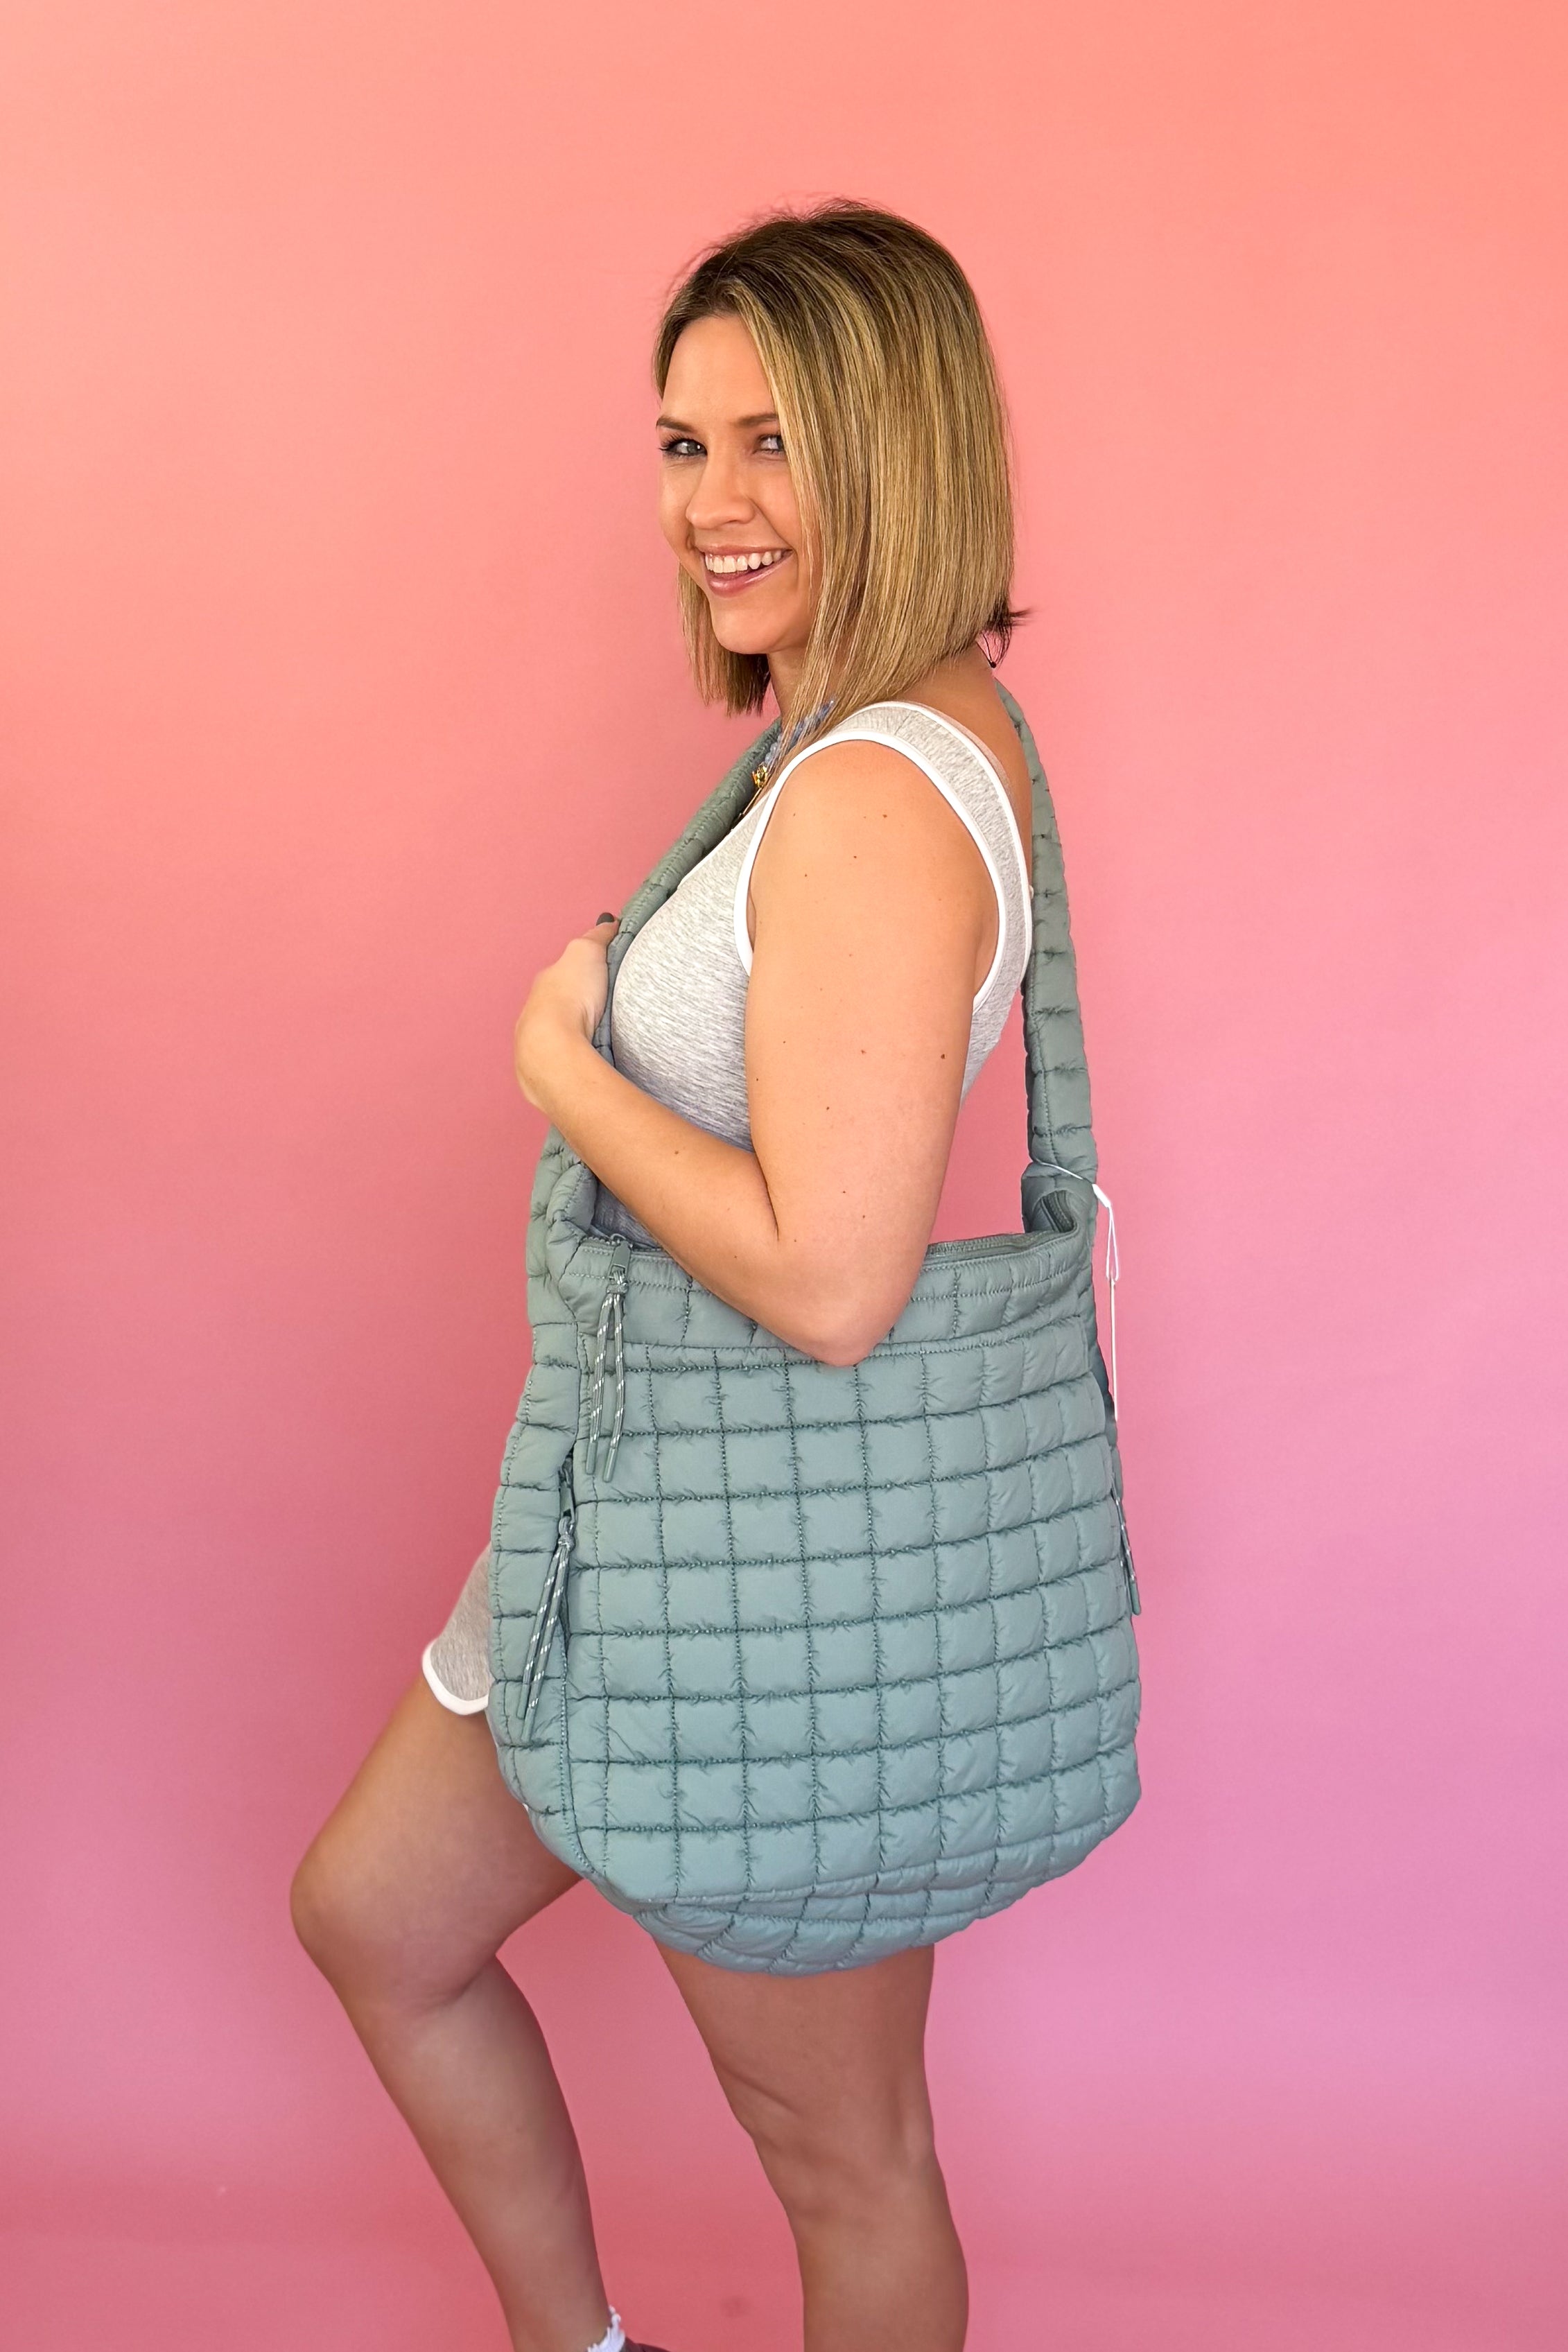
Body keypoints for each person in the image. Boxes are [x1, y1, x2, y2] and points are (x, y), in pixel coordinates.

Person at [292, 202, 1090, 2352]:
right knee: (379, 1917)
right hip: (623, 1518)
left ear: (900, 449)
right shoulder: (851, 737)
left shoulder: (874, 796)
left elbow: (833, 1280)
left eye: (772, 441)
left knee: (848, 2155)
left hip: (775, 1577)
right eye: (680, 443)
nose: (708, 504)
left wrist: (563, 1062)